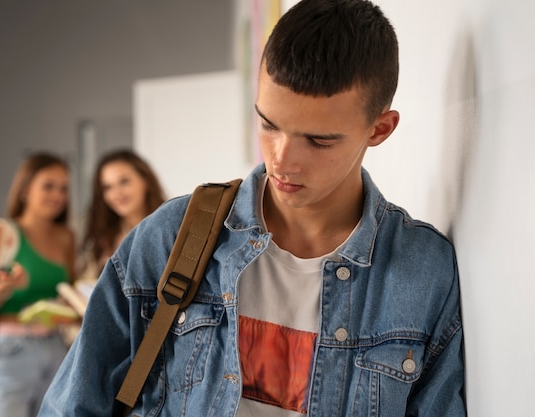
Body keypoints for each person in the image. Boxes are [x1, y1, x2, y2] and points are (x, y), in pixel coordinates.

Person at [38, 1, 466, 416]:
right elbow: (73, 404)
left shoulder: (423, 271)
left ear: (380, 129)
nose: (281, 160)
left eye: (318, 140)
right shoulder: (172, 236)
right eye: (268, 123)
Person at [0, 152, 76, 417]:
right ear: (25, 189)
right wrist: (4, 287)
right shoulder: (1, 233)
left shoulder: (66, 238)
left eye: (63, 188)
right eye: (48, 186)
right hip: (10, 350)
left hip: (56, 349)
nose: (57, 195)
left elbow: (68, 293)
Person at [79, 149, 166, 281]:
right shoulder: (104, 239)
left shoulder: (170, 230)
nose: (117, 194)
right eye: (107, 187)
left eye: (124, 182)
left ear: (146, 181)